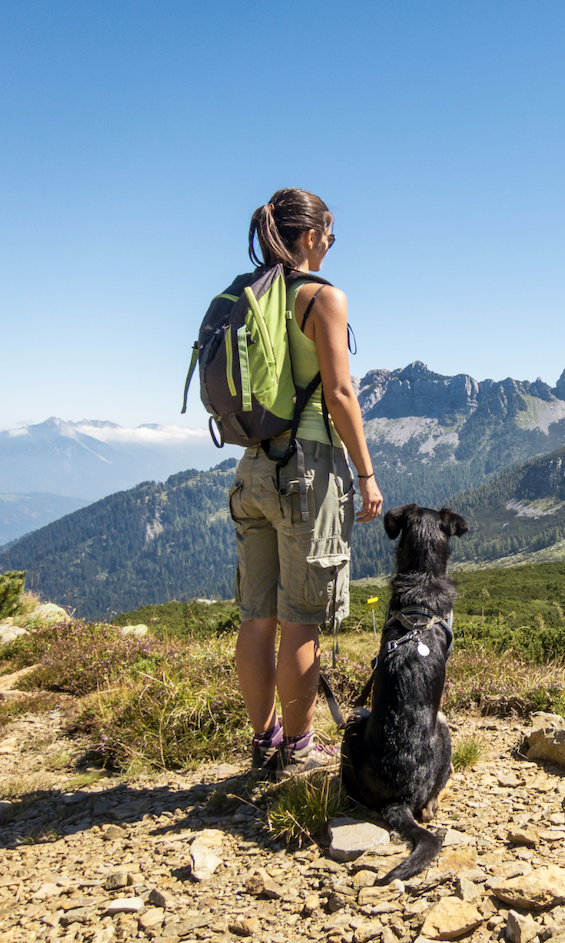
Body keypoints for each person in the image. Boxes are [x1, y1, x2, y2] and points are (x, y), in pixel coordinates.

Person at [228, 187, 383, 776]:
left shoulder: (254, 296)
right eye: (330, 236)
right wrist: (365, 474)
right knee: (301, 616)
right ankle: (298, 750)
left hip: (253, 468)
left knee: (256, 615)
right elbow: (340, 394)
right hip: (308, 469)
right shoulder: (323, 298)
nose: (330, 246)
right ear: (313, 235)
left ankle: (265, 740)